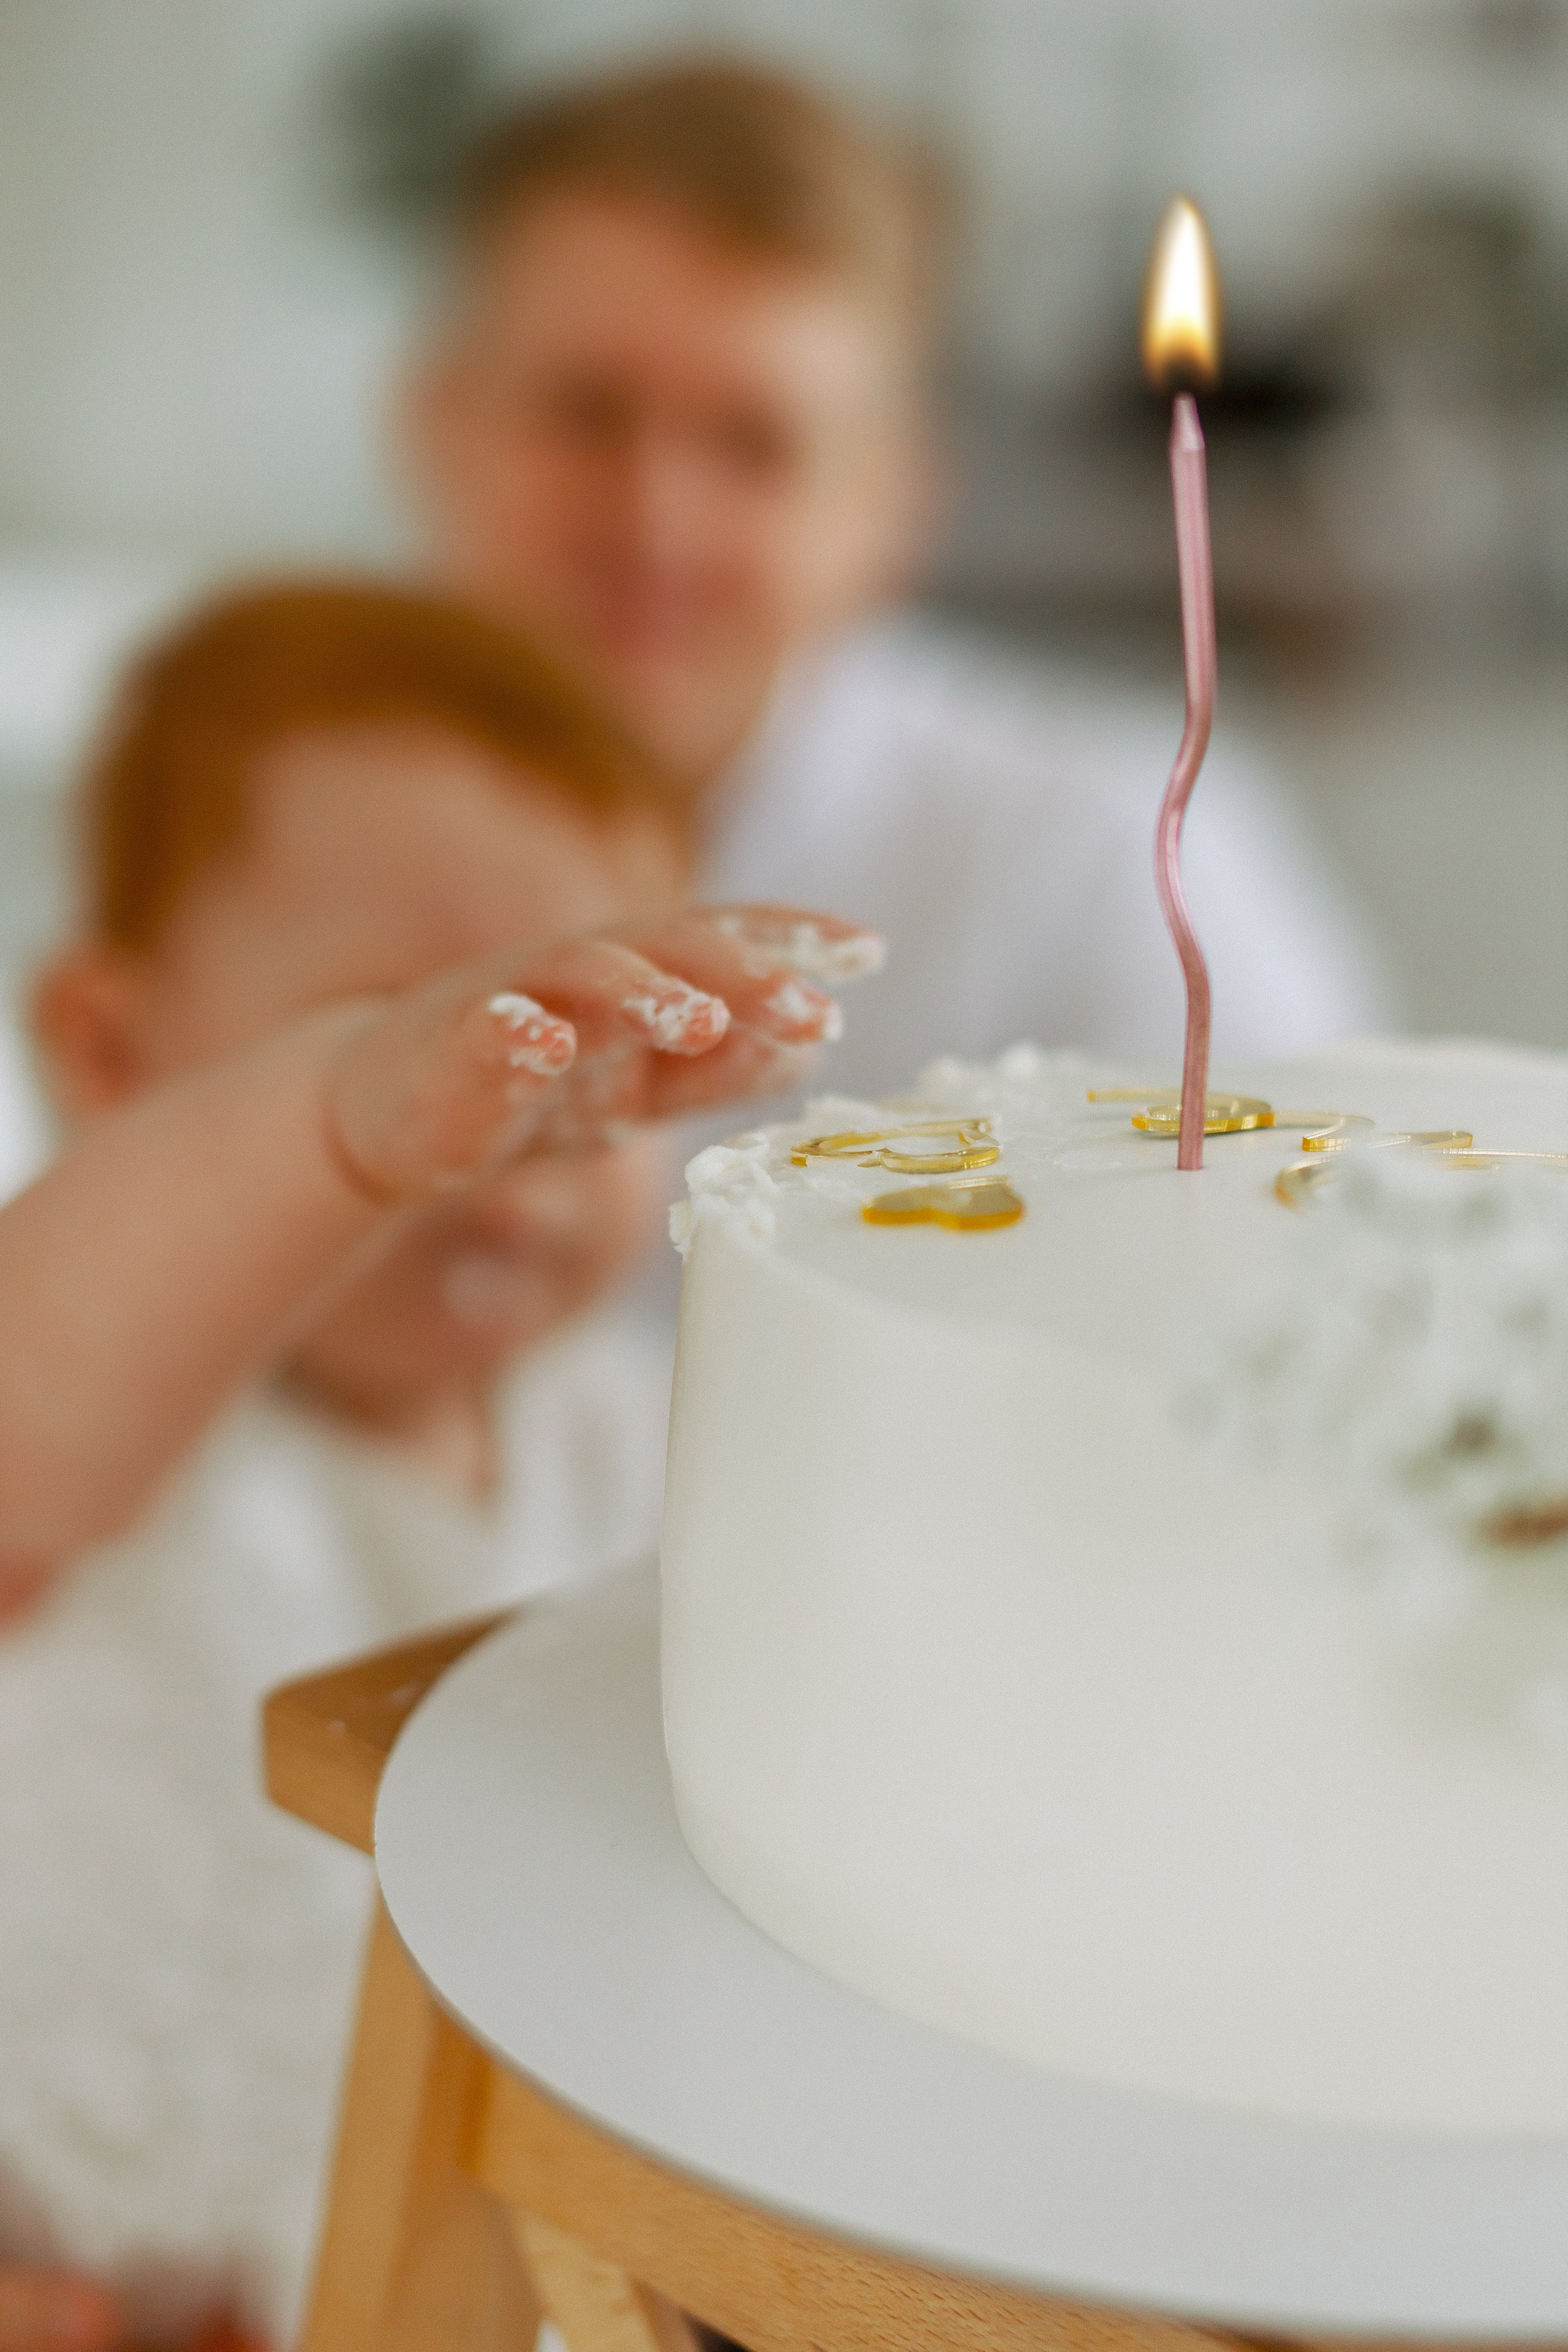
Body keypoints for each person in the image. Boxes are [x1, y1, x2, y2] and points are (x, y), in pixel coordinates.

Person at [0, 579, 877, 2347]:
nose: (517, 1140)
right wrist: (344, 1124)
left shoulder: (642, 1423)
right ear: (108, 1050)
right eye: (437, 1029)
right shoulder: (106, 1393)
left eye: (585, 1062)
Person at [401, 57, 1390, 1106]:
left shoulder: (1119, 868)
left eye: (755, 445)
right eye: (586, 414)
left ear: (893, 497)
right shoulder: (242, 828)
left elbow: (1307, 1237)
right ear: (435, 424)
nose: (657, 521)